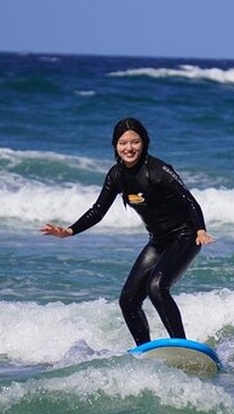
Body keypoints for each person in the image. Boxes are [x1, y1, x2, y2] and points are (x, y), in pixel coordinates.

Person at [41, 117, 213, 346]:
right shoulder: (116, 175)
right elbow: (97, 211)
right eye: (123, 143)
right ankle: (144, 350)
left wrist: (200, 229)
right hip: (158, 241)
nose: (129, 148)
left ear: (144, 144)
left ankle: (182, 347)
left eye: (135, 142)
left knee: (157, 287)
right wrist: (69, 231)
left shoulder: (159, 170)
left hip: (185, 236)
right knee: (128, 300)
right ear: (115, 146)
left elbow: (190, 201)